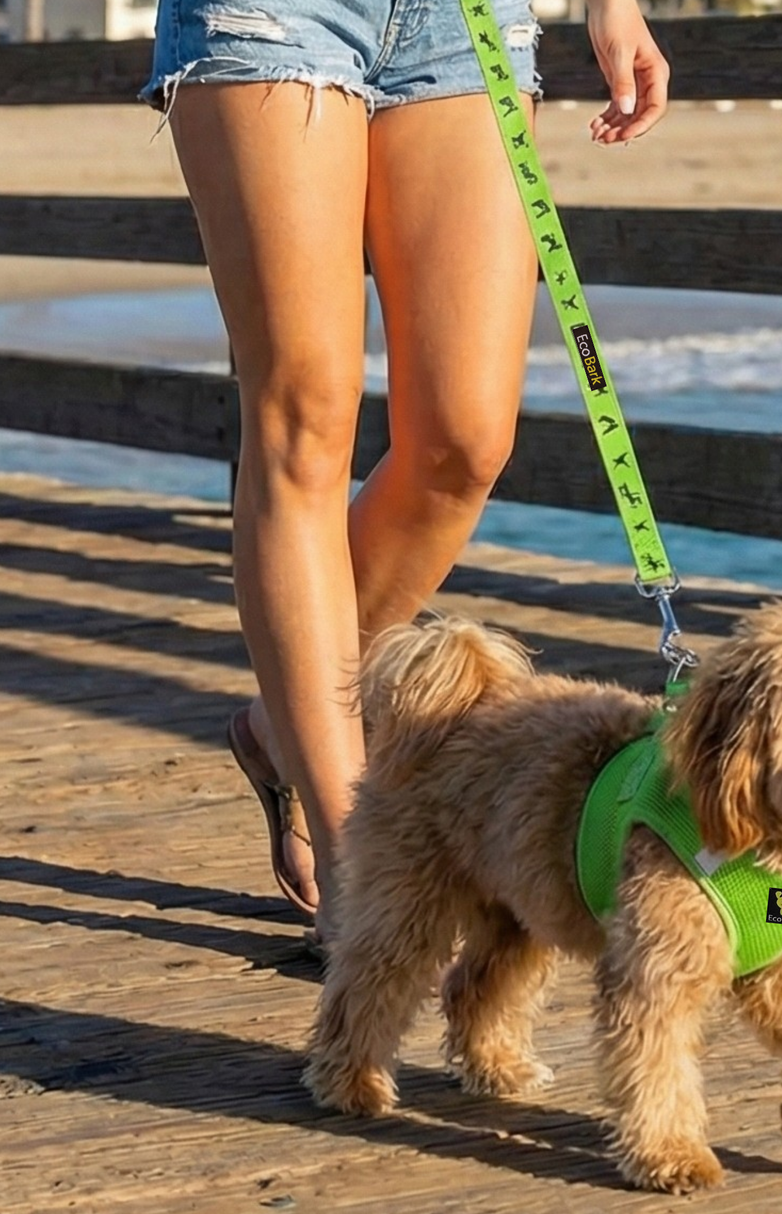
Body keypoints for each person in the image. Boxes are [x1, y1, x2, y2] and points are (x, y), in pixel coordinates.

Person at [140, 0, 670, 946]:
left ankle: (281, 722)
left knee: (463, 441)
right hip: (278, 14)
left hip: (462, 20)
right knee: (304, 418)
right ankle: (360, 858)